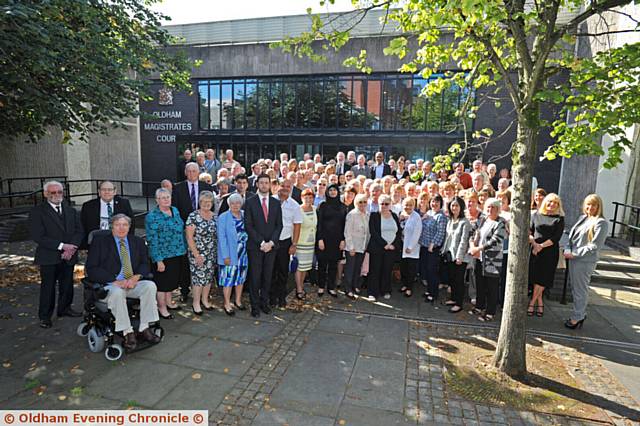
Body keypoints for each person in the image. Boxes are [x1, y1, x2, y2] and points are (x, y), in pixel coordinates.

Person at [85, 214, 160, 350]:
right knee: (118, 293)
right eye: (118, 225)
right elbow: (91, 268)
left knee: (150, 286)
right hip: (110, 285)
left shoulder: (137, 241)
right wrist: (114, 281)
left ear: (129, 227)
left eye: (125, 225)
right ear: (111, 226)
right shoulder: (100, 242)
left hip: (131, 283)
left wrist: (136, 277)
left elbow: (145, 263)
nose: (121, 228)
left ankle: (144, 327)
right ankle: (128, 332)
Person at [29, 181, 84, 328]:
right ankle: (45, 316)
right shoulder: (37, 211)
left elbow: (80, 231)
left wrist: (71, 248)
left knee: (67, 285)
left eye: (59, 192)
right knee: (48, 287)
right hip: (48, 256)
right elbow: (38, 236)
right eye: (53, 192)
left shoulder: (70, 210)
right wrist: (62, 246)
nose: (57, 195)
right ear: (46, 194)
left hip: (69, 255)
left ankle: (64, 309)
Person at [563, 194, 608, 329]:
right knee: (576, 289)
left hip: (584, 261)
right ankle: (579, 314)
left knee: (580, 290)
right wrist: (567, 249)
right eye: (588, 204)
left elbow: (595, 246)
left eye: (593, 205)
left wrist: (574, 254)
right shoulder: (583, 218)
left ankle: (578, 317)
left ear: (598, 207)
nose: (590, 207)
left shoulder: (601, 223)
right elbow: (571, 237)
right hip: (574, 259)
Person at [172, 162, 214, 301]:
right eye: (188, 171)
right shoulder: (177, 188)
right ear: (185, 172)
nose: (191, 173)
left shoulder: (206, 187)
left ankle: (204, 296)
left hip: (205, 234)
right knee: (186, 263)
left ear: (198, 172)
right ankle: (185, 291)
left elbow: (211, 208)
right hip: (186, 231)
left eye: (194, 171)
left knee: (206, 267)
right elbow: (175, 211)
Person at [244, 174, 283, 317]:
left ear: (270, 185)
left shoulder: (275, 202)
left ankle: (264, 303)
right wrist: (261, 242)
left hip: (271, 247)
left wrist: (271, 243)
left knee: (268, 276)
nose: (264, 185)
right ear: (257, 184)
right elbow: (248, 225)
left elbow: (279, 225)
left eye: (267, 183)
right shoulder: (250, 202)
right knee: (255, 277)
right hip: (255, 247)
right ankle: (254, 306)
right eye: (261, 183)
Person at [145, 188, 186, 319]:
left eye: (167, 197)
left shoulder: (175, 210)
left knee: (171, 281)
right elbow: (152, 239)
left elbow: (181, 230)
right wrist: (158, 260)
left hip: (177, 253)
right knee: (162, 284)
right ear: (157, 200)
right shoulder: (152, 216)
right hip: (162, 255)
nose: (166, 200)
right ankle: (161, 307)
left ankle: (169, 302)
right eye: (162, 198)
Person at [468, 198, 506, 321]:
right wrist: (473, 246)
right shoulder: (483, 220)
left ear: (498, 209)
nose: (490, 210)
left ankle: (490, 312)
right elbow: (474, 232)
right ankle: (479, 306)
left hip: (492, 259)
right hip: (478, 258)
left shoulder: (501, 223)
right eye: (488, 207)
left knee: (492, 287)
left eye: (493, 208)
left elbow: (495, 240)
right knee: (479, 283)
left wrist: (479, 248)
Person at [528, 193, 565, 318]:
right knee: (535, 276)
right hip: (535, 251)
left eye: (555, 203)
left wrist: (541, 246)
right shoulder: (536, 215)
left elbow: (556, 237)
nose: (552, 205)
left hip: (549, 252)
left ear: (558, 206)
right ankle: (539, 301)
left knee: (544, 278)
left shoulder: (559, 219)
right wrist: (534, 244)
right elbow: (530, 231)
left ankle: (532, 302)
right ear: (545, 202)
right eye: (550, 202)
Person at [271, 179, 303, 309]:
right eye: (282, 186)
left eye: (287, 186)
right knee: (271, 271)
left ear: (291, 188)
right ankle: (271, 297)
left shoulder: (295, 205)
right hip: (270, 241)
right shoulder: (270, 201)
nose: (284, 188)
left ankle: (281, 297)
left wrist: (294, 244)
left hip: (285, 242)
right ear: (277, 186)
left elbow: (297, 226)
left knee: (283, 271)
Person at [185, 190, 217, 315]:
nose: (206, 204)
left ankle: (205, 300)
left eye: (209, 202)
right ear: (199, 202)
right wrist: (197, 255)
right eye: (204, 201)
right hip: (197, 252)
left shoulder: (215, 216)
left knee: (208, 277)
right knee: (198, 278)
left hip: (211, 252)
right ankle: (196, 303)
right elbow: (189, 237)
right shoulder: (193, 216)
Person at [217, 193, 249, 315]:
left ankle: (238, 301)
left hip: (243, 254)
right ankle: (227, 303)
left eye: (238, 203)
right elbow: (222, 238)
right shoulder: (223, 217)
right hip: (229, 254)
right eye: (233, 203)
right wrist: (225, 256)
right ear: (229, 204)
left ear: (241, 204)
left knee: (240, 278)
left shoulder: (245, 215)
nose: (235, 205)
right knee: (228, 279)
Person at [367, 194, 402, 301]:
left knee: (387, 270)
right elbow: (373, 232)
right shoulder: (374, 216)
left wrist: (393, 245)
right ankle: (373, 292)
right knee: (375, 270)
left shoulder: (395, 216)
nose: (384, 206)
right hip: (378, 248)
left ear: (390, 204)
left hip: (391, 249)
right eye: (382, 204)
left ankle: (385, 290)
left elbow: (399, 232)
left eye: (387, 204)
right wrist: (384, 244)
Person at [80, 180, 134, 248]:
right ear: (99, 192)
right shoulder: (88, 206)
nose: (107, 192)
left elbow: (131, 224)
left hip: (119, 242)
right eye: (103, 189)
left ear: (114, 192)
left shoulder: (124, 203)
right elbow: (83, 226)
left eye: (109, 189)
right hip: (97, 242)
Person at [316, 183, 347, 297]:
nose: (332, 192)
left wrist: (343, 240)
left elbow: (344, 225)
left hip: (337, 240)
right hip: (324, 239)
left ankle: (331, 287)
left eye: (335, 190)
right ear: (327, 192)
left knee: (333, 264)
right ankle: (321, 286)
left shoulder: (343, 207)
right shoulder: (322, 205)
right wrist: (320, 239)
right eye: (330, 190)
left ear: (338, 192)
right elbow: (319, 224)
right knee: (322, 264)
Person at [441, 196, 471, 313]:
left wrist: (459, 256)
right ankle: (453, 298)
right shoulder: (450, 220)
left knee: (459, 280)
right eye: (452, 205)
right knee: (452, 279)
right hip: (450, 254)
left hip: (460, 257)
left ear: (461, 207)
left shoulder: (465, 222)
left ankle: (459, 303)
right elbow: (447, 238)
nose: (454, 208)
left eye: (457, 205)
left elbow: (464, 241)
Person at [419, 194, 448, 303]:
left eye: (437, 202)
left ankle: (433, 293)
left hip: (433, 248)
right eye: (432, 201)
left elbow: (440, 232)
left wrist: (433, 244)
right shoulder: (429, 213)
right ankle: (429, 290)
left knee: (432, 271)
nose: (434, 204)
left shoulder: (441, 216)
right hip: (424, 246)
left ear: (441, 204)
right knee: (426, 270)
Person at [343, 193, 370, 299]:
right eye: (360, 202)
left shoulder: (367, 214)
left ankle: (355, 285)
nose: (363, 204)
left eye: (365, 202)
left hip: (362, 246)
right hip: (352, 246)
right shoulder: (352, 214)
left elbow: (367, 232)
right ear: (356, 203)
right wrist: (350, 247)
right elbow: (347, 232)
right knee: (350, 268)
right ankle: (348, 289)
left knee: (358, 267)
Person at [294, 188, 318, 300]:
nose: (308, 199)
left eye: (310, 197)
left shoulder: (314, 209)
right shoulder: (298, 210)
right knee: (300, 267)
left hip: (311, 243)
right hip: (300, 242)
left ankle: (301, 285)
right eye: (306, 197)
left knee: (306, 266)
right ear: (302, 198)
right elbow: (295, 227)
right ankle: (298, 289)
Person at [398, 197, 422, 298]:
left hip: (411, 248)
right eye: (406, 205)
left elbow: (417, 233)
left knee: (411, 269)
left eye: (410, 205)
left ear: (414, 206)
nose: (407, 207)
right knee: (403, 268)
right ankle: (404, 284)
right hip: (401, 246)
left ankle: (409, 288)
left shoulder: (416, 217)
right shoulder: (401, 215)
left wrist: (410, 246)